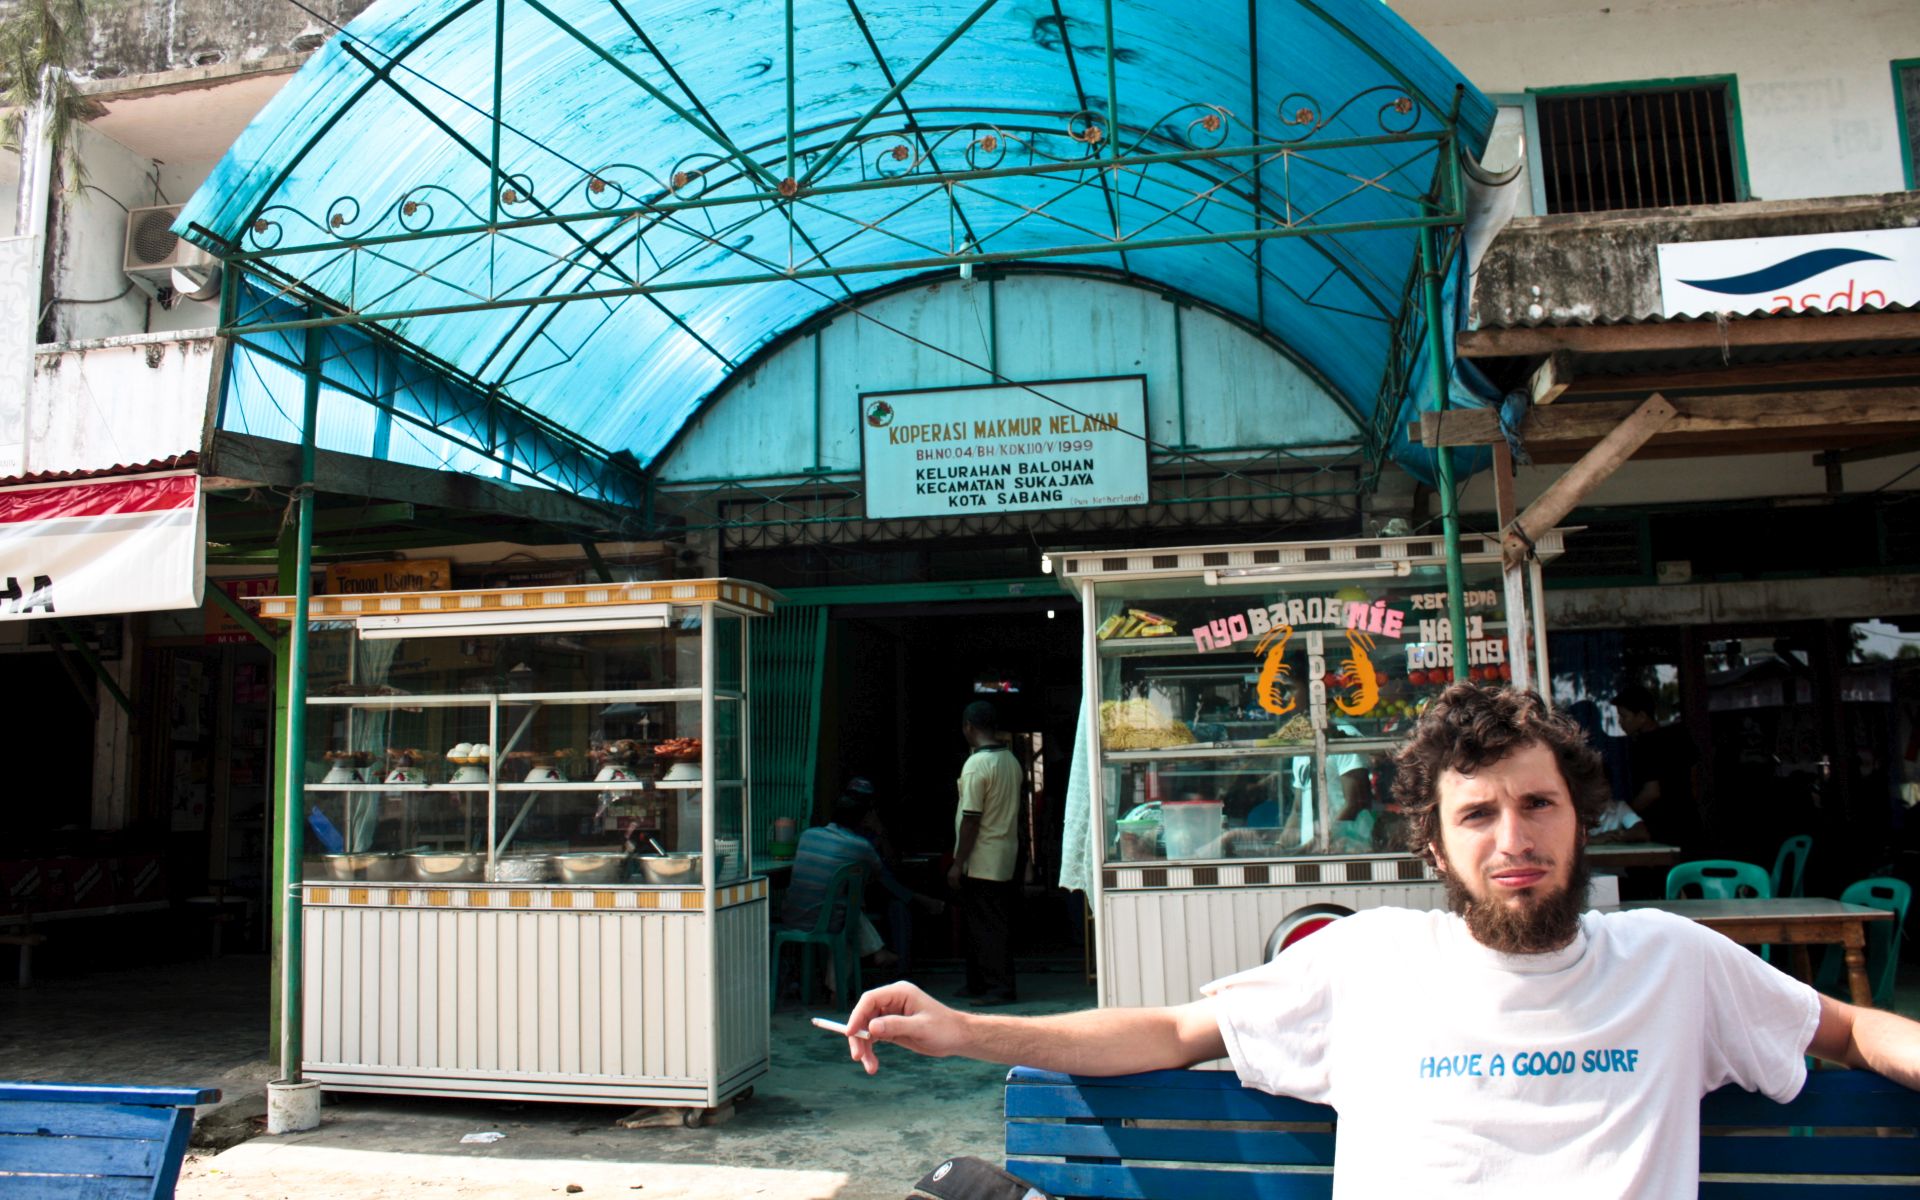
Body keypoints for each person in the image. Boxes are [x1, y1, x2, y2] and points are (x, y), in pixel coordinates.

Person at [840, 685, 1920, 1197]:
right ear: (1437, 848)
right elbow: (1172, 1030)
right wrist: (968, 1027)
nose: (1515, 840)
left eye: (1538, 806)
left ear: (1581, 818)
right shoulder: (1370, 963)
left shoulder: (1675, 963)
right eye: (1479, 816)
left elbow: (1851, 1027)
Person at [779, 785, 919, 987]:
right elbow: (881, 874)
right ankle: (839, 988)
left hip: (791, 915)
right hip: (827, 921)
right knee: (850, 916)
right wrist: (879, 831)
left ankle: (874, 955)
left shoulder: (807, 835)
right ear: (862, 819)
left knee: (845, 908)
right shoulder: (860, 845)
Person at [949, 700, 1024, 1006]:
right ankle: (977, 982)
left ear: (969, 726)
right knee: (983, 923)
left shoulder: (976, 765)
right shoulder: (1010, 761)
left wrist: (958, 862)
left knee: (987, 927)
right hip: (1004, 854)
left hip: (982, 859)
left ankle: (999, 987)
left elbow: (971, 818)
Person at [1614, 684, 1703, 854]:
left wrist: (1624, 815)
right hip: (1689, 821)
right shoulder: (1679, 735)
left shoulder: (1645, 746)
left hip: (1662, 828)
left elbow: (1652, 792)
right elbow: (1694, 778)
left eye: (1624, 716)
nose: (1620, 722)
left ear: (1641, 716)